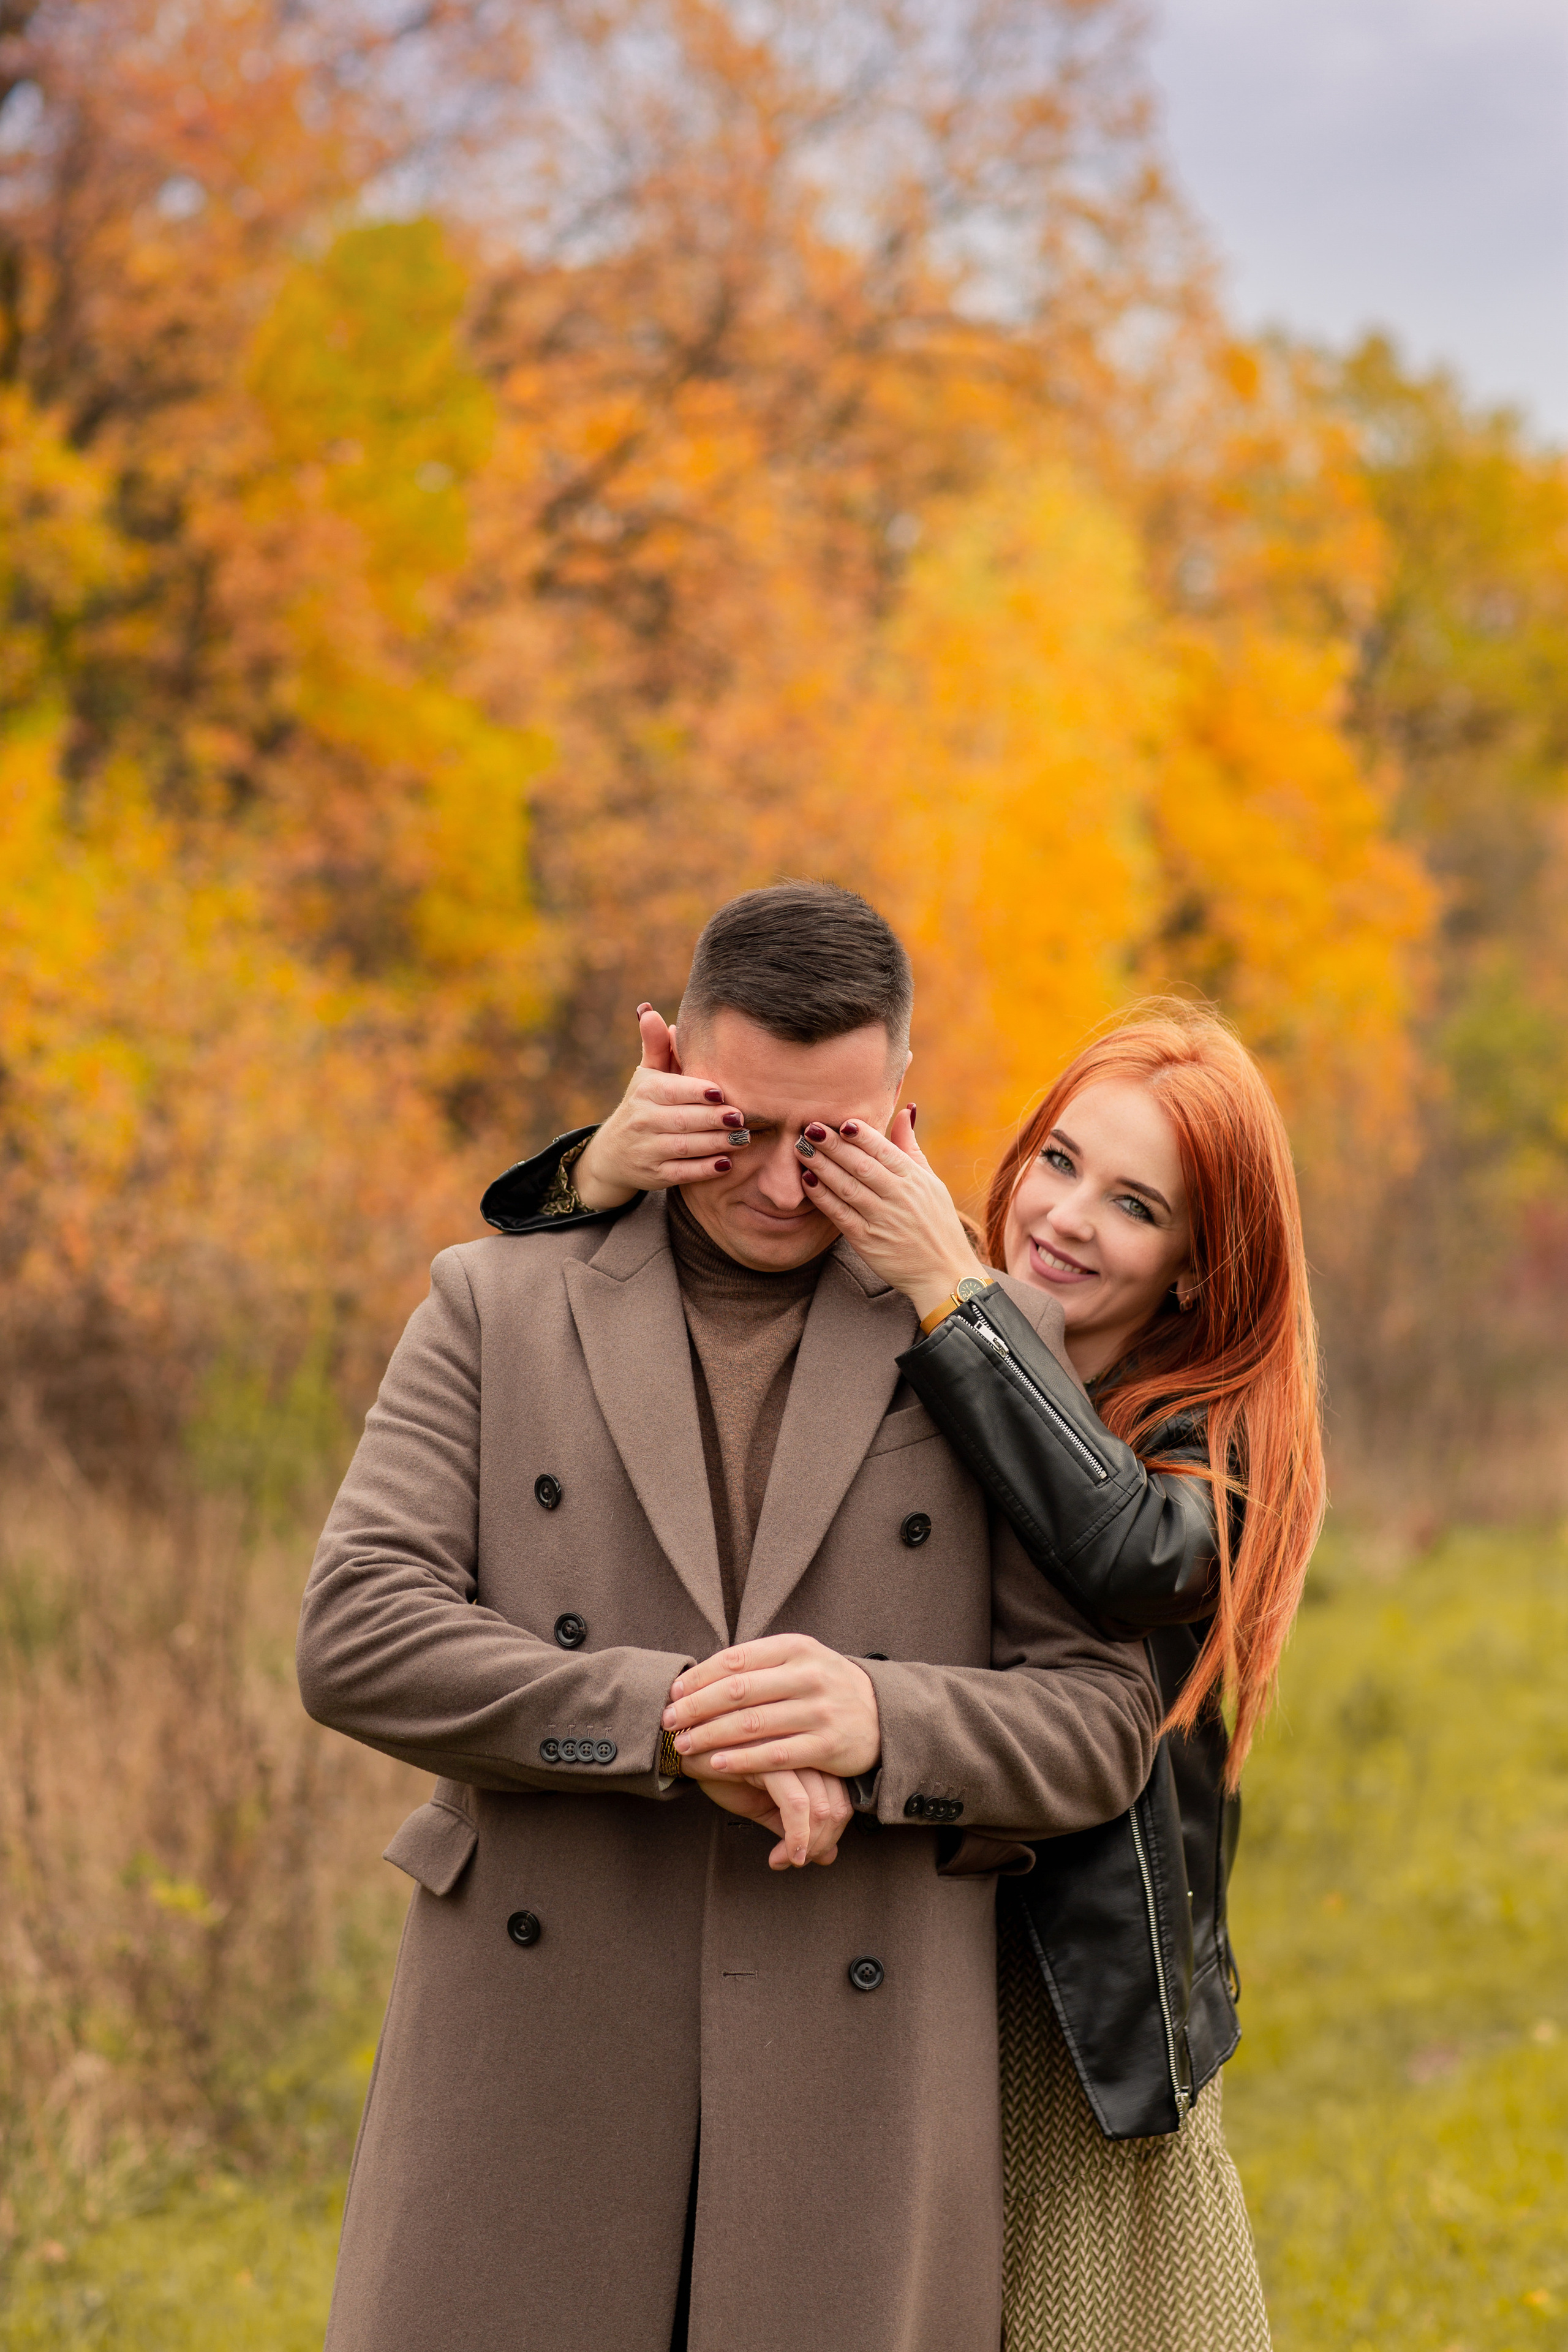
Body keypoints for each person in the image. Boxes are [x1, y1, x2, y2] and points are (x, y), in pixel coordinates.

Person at [298, 881, 1161, 2352]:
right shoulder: (493, 1302)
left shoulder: (981, 1340)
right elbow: (358, 1633)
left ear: (900, 1106)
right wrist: (669, 1721)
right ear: (666, 1061)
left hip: (856, 2075)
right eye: (739, 1126)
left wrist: (880, 1717)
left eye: (826, 1142)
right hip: (531, 2053)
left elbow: (1099, 1719)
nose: (774, 1185)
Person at [493, 999, 1322, 2352]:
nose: (1064, 1218)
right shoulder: (936, 1324)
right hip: (873, 1956)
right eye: (1058, 1161)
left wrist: (954, 1292)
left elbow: (1127, 1552)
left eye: (1133, 1206)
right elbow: (707, 1242)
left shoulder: (1204, 1435)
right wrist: (598, 1168)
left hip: (1067, 2009)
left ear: (1193, 1265)